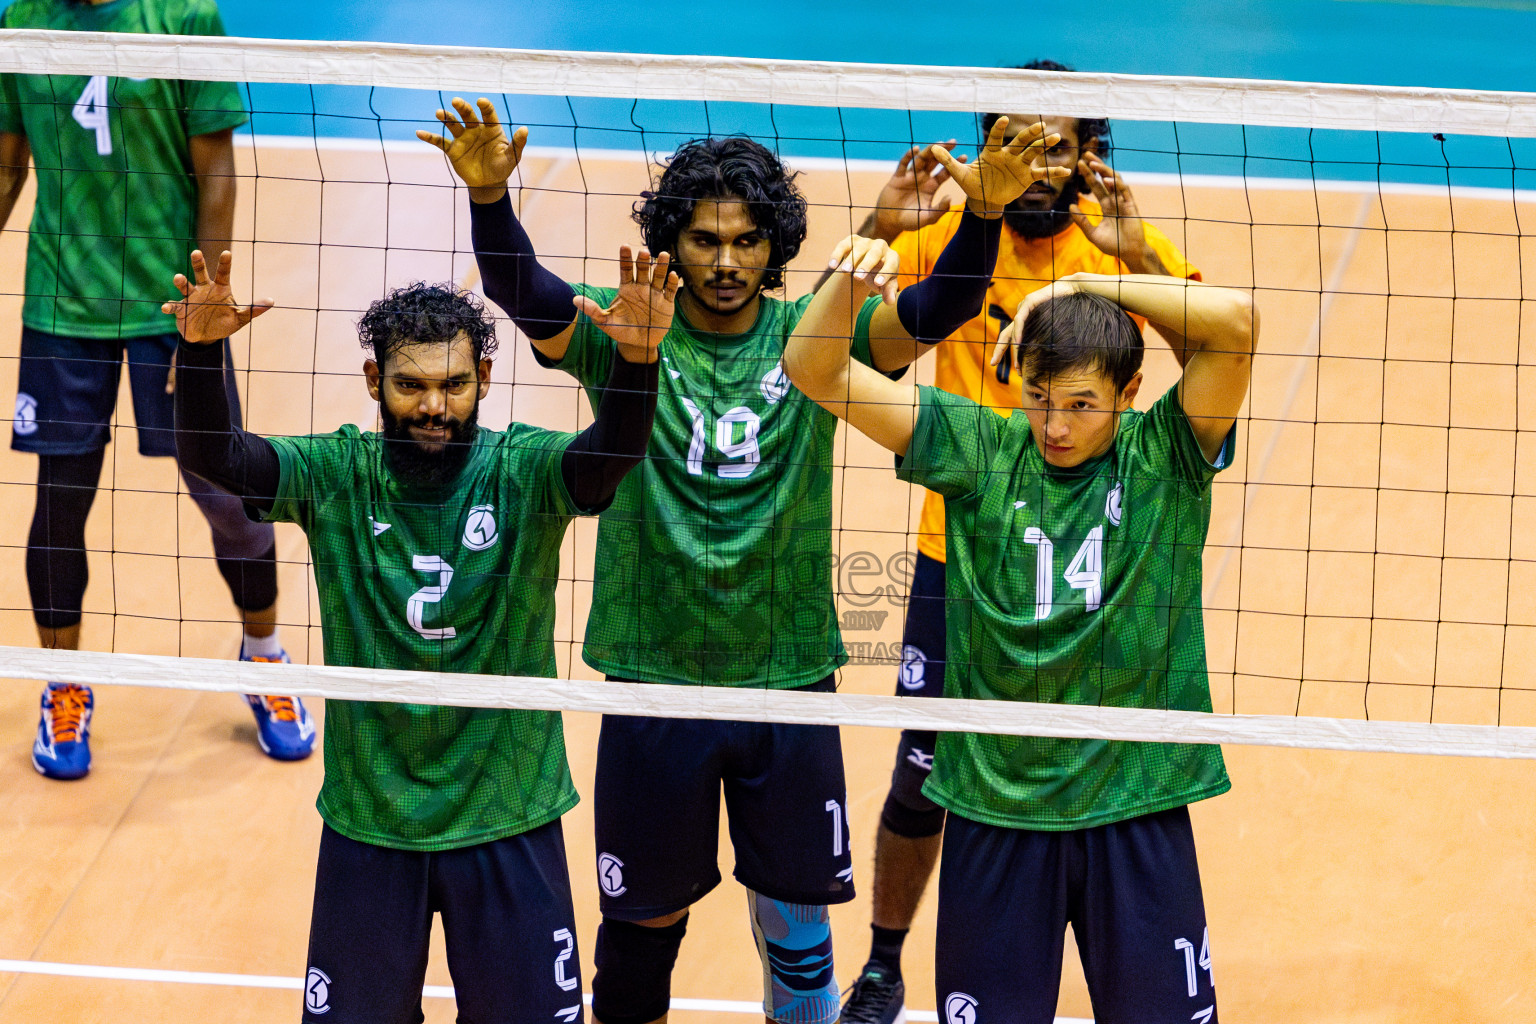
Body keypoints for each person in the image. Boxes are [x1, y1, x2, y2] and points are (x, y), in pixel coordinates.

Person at [419, 97, 1063, 1024]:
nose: (725, 261)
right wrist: (488, 199)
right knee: (641, 933)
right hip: (654, 674)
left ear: (777, 243)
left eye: (748, 239)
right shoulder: (629, 337)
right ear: (670, 241)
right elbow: (526, 293)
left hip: (786, 677)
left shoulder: (814, 342)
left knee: (800, 928)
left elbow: (941, 307)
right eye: (706, 238)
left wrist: (985, 214)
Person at [169, 242, 673, 1023]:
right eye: (411, 386)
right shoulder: (338, 473)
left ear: (485, 382)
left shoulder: (522, 473)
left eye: (452, 385)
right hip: (374, 824)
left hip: (509, 814)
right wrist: (200, 354)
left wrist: (638, 364)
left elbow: (610, 457)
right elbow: (215, 456)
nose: (434, 406)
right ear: (375, 382)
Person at [785, 232, 1255, 1023]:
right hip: (996, 814)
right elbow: (813, 369)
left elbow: (1236, 325)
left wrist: (1075, 281)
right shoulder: (979, 447)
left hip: (1134, 807)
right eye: (1040, 397)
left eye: (1081, 404)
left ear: (1130, 389)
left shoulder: (1167, 453)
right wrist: (841, 281)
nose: (1056, 425)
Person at [829, 61, 1203, 1022]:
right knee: (924, 775)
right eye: (1021, 142)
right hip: (964, 548)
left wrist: (1138, 261)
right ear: (991, 145)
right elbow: (856, 350)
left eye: (1060, 144)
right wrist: (880, 228)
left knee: (1097, 767)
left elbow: (1218, 354)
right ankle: (883, 960)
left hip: (1093, 558)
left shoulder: (1120, 242)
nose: (1041, 163)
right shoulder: (952, 238)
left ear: (1087, 156)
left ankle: (1116, 943)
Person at [0, 0, 310, 779]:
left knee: (226, 493)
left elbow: (215, 165)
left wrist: (206, 298)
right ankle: (64, 684)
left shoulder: (182, 15)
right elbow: (7, 167)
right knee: (60, 498)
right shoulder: (21, 21)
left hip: (172, 306)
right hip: (63, 307)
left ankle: (265, 657)